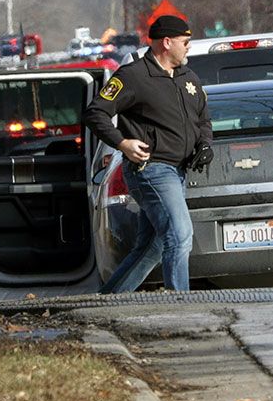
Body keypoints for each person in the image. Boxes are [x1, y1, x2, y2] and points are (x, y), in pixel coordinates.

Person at [84, 15, 212, 293]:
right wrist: (122, 143)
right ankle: (181, 304)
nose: (189, 47)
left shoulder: (188, 77)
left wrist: (204, 143)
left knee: (152, 246)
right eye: (185, 42)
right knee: (180, 236)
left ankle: (105, 302)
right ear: (166, 43)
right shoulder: (134, 76)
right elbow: (96, 113)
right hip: (151, 169)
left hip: (177, 171)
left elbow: (203, 118)